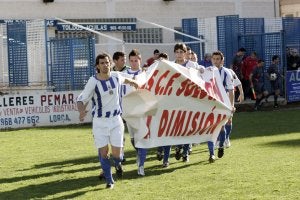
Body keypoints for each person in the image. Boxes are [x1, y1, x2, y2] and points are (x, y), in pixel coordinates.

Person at [77, 53, 138, 189]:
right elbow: (82, 99)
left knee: (117, 155)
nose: (105, 65)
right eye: (102, 63)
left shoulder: (117, 76)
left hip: (116, 120)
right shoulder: (93, 81)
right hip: (100, 122)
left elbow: (127, 80)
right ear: (97, 66)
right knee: (104, 152)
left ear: (110, 63)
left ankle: (117, 163)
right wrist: (81, 111)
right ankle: (109, 181)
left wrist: (134, 83)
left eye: (107, 62)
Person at [173, 43, 205, 162]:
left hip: (190, 99)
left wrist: (201, 70)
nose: (179, 54)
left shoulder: (192, 64)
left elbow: (201, 73)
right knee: (177, 126)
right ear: (175, 53)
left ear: (186, 53)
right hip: (175, 99)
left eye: (182, 52)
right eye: (177, 52)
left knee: (188, 126)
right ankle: (178, 146)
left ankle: (185, 152)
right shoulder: (171, 65)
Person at [207, 50, 235, 163]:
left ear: (222, 60)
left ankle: (222, 144)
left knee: (223, 126)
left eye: (218, 59)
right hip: (210, 104)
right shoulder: (207, 71)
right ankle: (212, 152)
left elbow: (231, 90)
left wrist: (231, 105)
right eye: (214, 59)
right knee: (211, 127)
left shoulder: (226, 73)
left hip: (223, 103)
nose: (215, 61)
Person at [125, 49, 148, 176]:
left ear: (140, 60)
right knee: (134, 140)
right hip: (129, 111)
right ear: (129, 61)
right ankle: (139, 154)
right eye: (132, 61)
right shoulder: (124, 74)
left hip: (142, 111)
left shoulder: (145, 74)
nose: (134, 63)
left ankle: (141, 166)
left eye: (136, 60)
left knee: (142, 138)